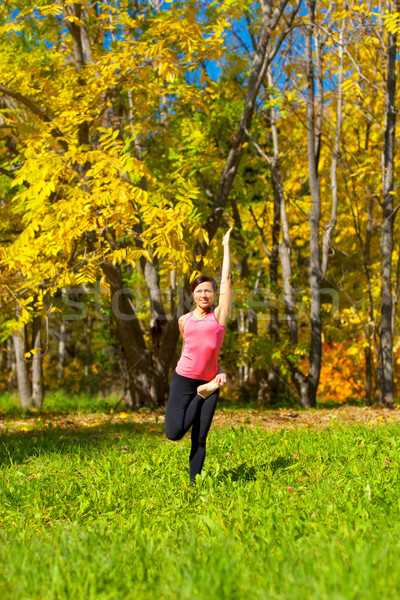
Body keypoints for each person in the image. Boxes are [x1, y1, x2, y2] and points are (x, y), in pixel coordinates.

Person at [164, 227, 233, 483]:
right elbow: (194, 351)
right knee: (174, 433)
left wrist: (225, 247)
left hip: (211, 382)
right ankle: (200, 394)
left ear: (214, 295)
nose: (204, 294)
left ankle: (195, 486)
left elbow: (226, 281)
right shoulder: (183, 320)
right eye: (199, 291)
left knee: (200, 437)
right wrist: (212, 376)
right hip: (184, 380)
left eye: (209, 291)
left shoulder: (219, 316)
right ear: (192, 295)